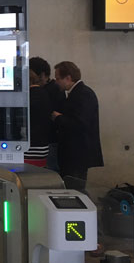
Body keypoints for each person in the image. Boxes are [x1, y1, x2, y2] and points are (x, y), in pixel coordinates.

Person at [51, 61, 103, 189]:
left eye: (58, 78)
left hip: (77, 154)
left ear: (68, 78)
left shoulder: (83, 94)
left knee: (75, 189)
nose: (56, 82)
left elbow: (80, 124)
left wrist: (59, 118)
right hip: (73, 153)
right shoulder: (76, 94)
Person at [30, 57, 65, 171]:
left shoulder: (51, 90)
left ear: (42, 75)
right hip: (45, 140)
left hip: (50, 140)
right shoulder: (46, 89)